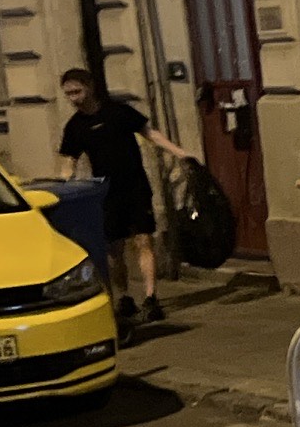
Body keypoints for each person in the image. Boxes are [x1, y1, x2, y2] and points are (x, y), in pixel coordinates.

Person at [56, 66, 198, 336]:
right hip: (105, 193)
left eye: (77, 91)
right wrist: (62, 186)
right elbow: (69, 161)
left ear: (90, 87)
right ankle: (124, 296)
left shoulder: (118, 112)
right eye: (69, 94)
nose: (74, 98)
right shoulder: (75, 126)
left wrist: (180, 153)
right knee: (114, 250)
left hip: (134, 186)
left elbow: (150, 133)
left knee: (143, 240)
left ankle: (151, 297)